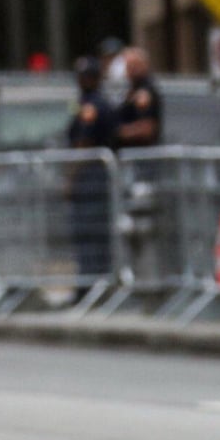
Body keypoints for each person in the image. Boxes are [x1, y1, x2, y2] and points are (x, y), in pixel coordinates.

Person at [66, 55, 118, 299]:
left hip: (91, 176)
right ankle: (91, 284)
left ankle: (91, 287)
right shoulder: (87, 102)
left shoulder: (92, 106)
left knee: (90, 231)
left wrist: (71, 177)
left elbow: (84, 144)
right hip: (92, 174)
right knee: (88, 232)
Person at [115, 46, 162, 148]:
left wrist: (117, 132)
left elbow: (147, 129)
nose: (131, 70)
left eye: (134, 65)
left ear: (144, 65)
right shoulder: (132, 89)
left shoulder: (145, 92)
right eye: (128, 66)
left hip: (140, 156)